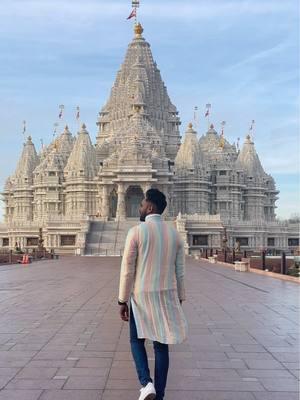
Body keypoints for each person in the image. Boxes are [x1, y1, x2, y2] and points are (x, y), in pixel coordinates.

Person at [118, 188, 188, 400]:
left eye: (141, 205)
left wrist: (122, 299)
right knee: (161, 345)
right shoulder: (175, 234)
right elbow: (180, 271)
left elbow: (127, 269)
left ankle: (146, 383)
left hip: (141, 296)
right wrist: (180, 297)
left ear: (150, 207)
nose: (139, 208)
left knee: (136, 341)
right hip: (166, 295)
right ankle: (160, 395)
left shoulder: (136, 232)